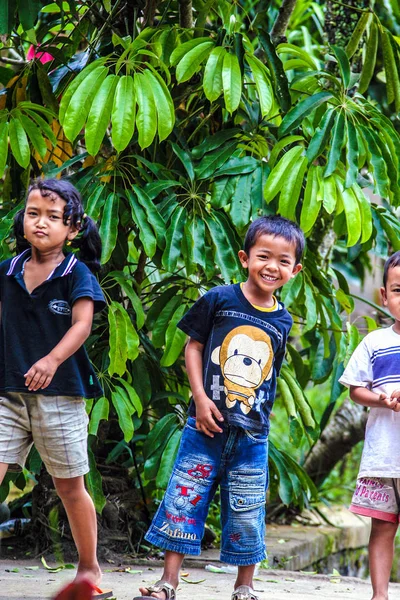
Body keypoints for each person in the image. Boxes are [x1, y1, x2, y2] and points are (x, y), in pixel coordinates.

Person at [134, 215, 304, 600]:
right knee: (184, 498)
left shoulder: (282, 319)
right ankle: (168, 582)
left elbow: (269, 372)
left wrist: (265, 409)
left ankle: (245, 587)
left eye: (282, 260)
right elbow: (193, 347)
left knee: (247, 508)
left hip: (252, 435)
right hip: (204, 427)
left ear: (295, 270)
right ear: (245, 258)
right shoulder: (218, 299)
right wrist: (200, 398)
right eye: (264, 256)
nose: (271, 267)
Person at [0, 179, 112, 599]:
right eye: (33, 213)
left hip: (61, 395)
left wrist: (51, 360)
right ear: (21, 220)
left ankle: (89, 568)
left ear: (74, 227)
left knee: (69, 486)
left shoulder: (75, 273)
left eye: (52, 216)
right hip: (7, 393)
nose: (40, 223)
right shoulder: (7, 271)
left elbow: (82, 325)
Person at [339, 251, 400, 600]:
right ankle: (380, 595)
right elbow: (356, 390)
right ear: (384, 296)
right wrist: (382, 399)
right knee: (381, 526)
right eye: (399, 289)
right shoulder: (374, 342)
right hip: (383, 456)